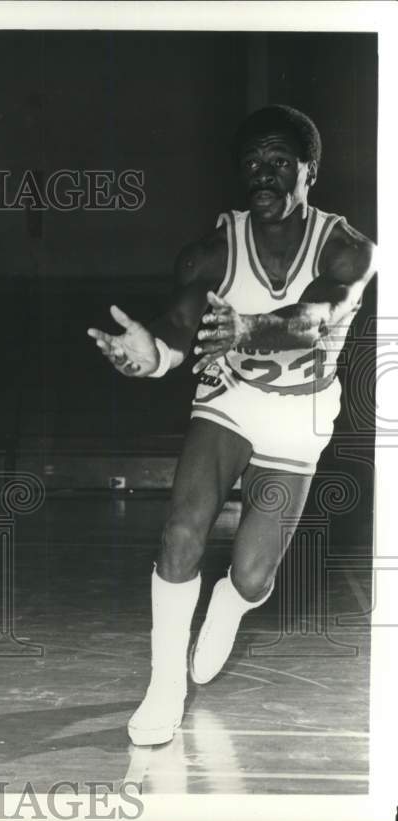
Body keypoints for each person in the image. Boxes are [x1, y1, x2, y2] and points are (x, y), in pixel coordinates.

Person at [87, 105, 377, 746]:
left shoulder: (350, 248)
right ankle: (165, 686)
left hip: (301, 415)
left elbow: (320, 316)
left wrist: (248, 327)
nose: (265, 176)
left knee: (252, 577)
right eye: (253, 164)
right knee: (181, 531)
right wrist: (152, 354)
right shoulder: (213, 250)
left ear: (311, 171)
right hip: (231, 400)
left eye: (280, 162)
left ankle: (230, 603)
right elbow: (178, 325)